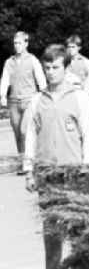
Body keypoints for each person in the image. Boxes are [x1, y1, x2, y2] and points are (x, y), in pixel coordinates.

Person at [22, 44, 89, 269]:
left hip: (73, 172)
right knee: (51, 228)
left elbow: (88, 135)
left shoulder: (78, 97)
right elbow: (31, 135)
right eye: (47, 67)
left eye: (56, 67)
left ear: (65, 68)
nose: (51, 72)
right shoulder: (37, 100)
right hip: (46, 173)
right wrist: (29, 169)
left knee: (76, 226)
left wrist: (88, 169)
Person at [0, 31, 46, 173]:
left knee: (24, 130)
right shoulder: (9, 62)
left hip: (29, 100)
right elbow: (5, 79)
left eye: (20, 43)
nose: (17, 46)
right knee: (17, 133)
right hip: (13, 101)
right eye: (15, 43)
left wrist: (44, 94)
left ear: (26, 43)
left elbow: (40, 78)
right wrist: (2, 96)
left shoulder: (32, 60)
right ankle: (23, 162)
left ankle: (29, 163)